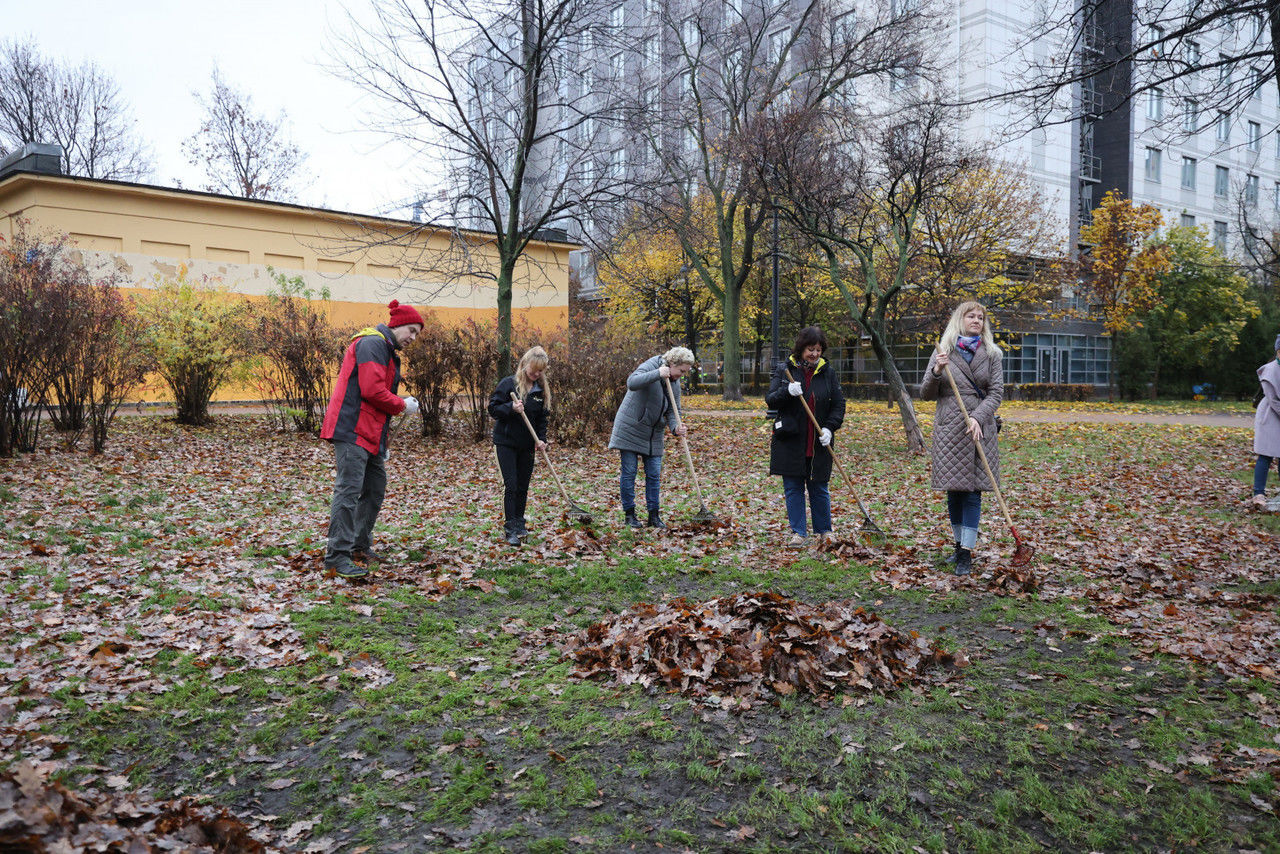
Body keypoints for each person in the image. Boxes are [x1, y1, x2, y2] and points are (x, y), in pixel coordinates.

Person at [319, 299, 423, 579]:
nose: (412, 338)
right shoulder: (373, 344)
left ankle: (357, 545)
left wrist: (382, 442)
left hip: (369, 432)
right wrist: (403, 405)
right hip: (352, 428)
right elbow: (372, 391)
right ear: (397, 324)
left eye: (417, 334)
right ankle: (336, 558)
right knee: (349, 491)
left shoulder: (387, 349)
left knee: (375, 487)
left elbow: (375, 399)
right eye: (411, 331)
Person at [919, 301, 1004, 576]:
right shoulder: (943, 352)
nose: (977, 320)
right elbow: (926, 394)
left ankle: (967, 554)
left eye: (981, 317)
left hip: (979, 428)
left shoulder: (991, 354)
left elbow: (996, 393)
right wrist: (936, 372)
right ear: (960, 319)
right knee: (954, 491)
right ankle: (957, 548)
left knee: (972, 492)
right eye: (971, 316)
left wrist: (979, 417)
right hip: (950, 430)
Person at [766, 326, 846, 545]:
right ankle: (798, 533)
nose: (815, 354)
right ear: (801, 349)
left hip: (818, 441)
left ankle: (824, 530)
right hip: (791, 441)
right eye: (811, 349)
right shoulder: (786, 370)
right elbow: (771, 399)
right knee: (793, 487)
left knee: (819, 486)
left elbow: (838, 404)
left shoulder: (827, 372)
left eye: (818, 349)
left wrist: (830, 428)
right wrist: (787, 392)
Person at [608, 347, 695, 528]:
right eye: (681, 371)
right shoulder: (652, 365)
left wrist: (676, 427)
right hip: (631, 427)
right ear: (672, 364)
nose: (683, 375)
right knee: (630, 472)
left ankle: (654, 516)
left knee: (654, 474)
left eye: (686, 372)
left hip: (654, 433)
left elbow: (673, 410)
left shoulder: (675, 383)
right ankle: (630, 515)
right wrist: (657, 373)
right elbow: (632, 382)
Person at [488, 346, 551, 545]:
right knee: (511, 484)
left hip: (527, 445)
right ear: (525, 364)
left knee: (523, 485)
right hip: (505, 443)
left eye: (541, 370)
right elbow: (493, 408)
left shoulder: (541, 391)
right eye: (534, 369)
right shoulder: (509, 384)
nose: (536, 373)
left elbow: (542, 419)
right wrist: (511, 408)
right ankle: (510, 528)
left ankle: (519, 521)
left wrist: (541, 439)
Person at [1251, 334, 1280, 509]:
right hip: (1271, 417)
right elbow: (1273, 399)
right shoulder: (1269, 370)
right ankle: (1258, 493)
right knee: (1266, 455)